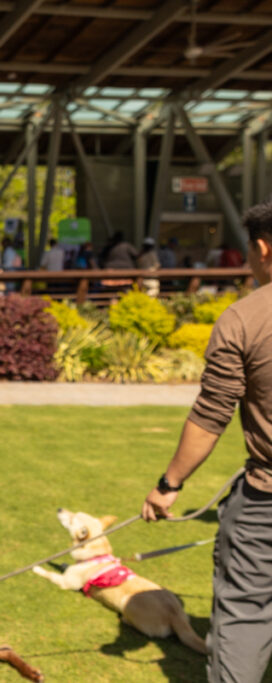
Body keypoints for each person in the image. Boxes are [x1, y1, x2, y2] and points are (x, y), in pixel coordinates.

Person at [141, 198, 272, 682]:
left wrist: (168, 483)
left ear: (261, 248)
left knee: (245, 615)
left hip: (266, 502)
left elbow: (211, 415)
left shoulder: (245, 317)